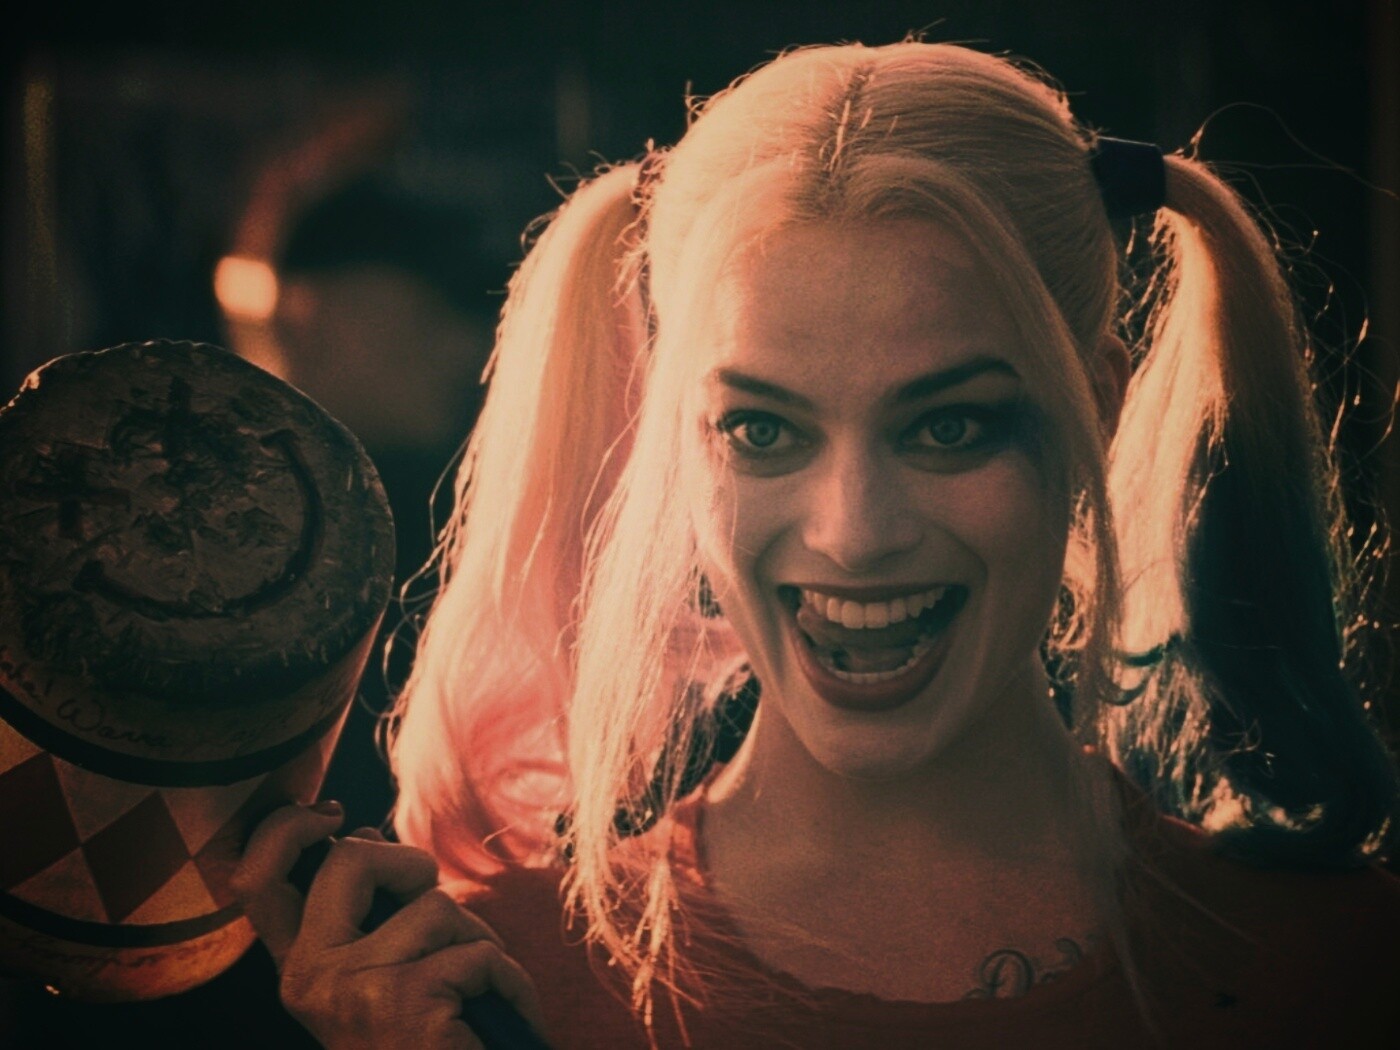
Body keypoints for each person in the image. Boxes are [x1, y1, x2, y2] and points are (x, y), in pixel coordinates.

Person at [232, 40, 1400, 1048]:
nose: (851, 534)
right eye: (761, 429)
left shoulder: (1341, 965)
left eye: (948, 426)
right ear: (675, 442)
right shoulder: (482, 987)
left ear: (1092, 406)